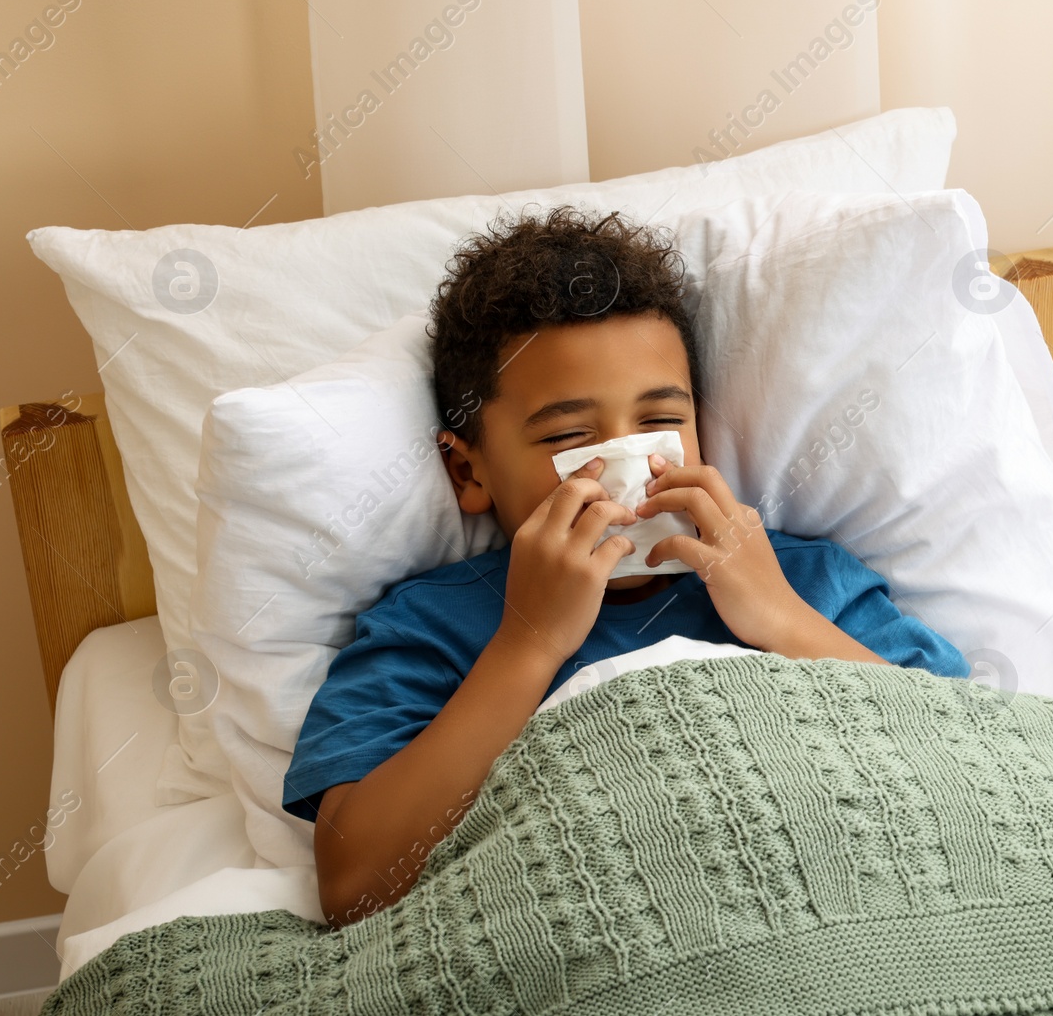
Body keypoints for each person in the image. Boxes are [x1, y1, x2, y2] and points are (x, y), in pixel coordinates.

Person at [281, 206, 968, 927]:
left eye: (659, 423)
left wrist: (780, 617)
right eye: (570, 435)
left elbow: (978, 757)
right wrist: (528, 641)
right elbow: (355, 886)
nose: (627, 469)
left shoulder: (806, 582)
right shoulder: (428, 625)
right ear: (468, 471)